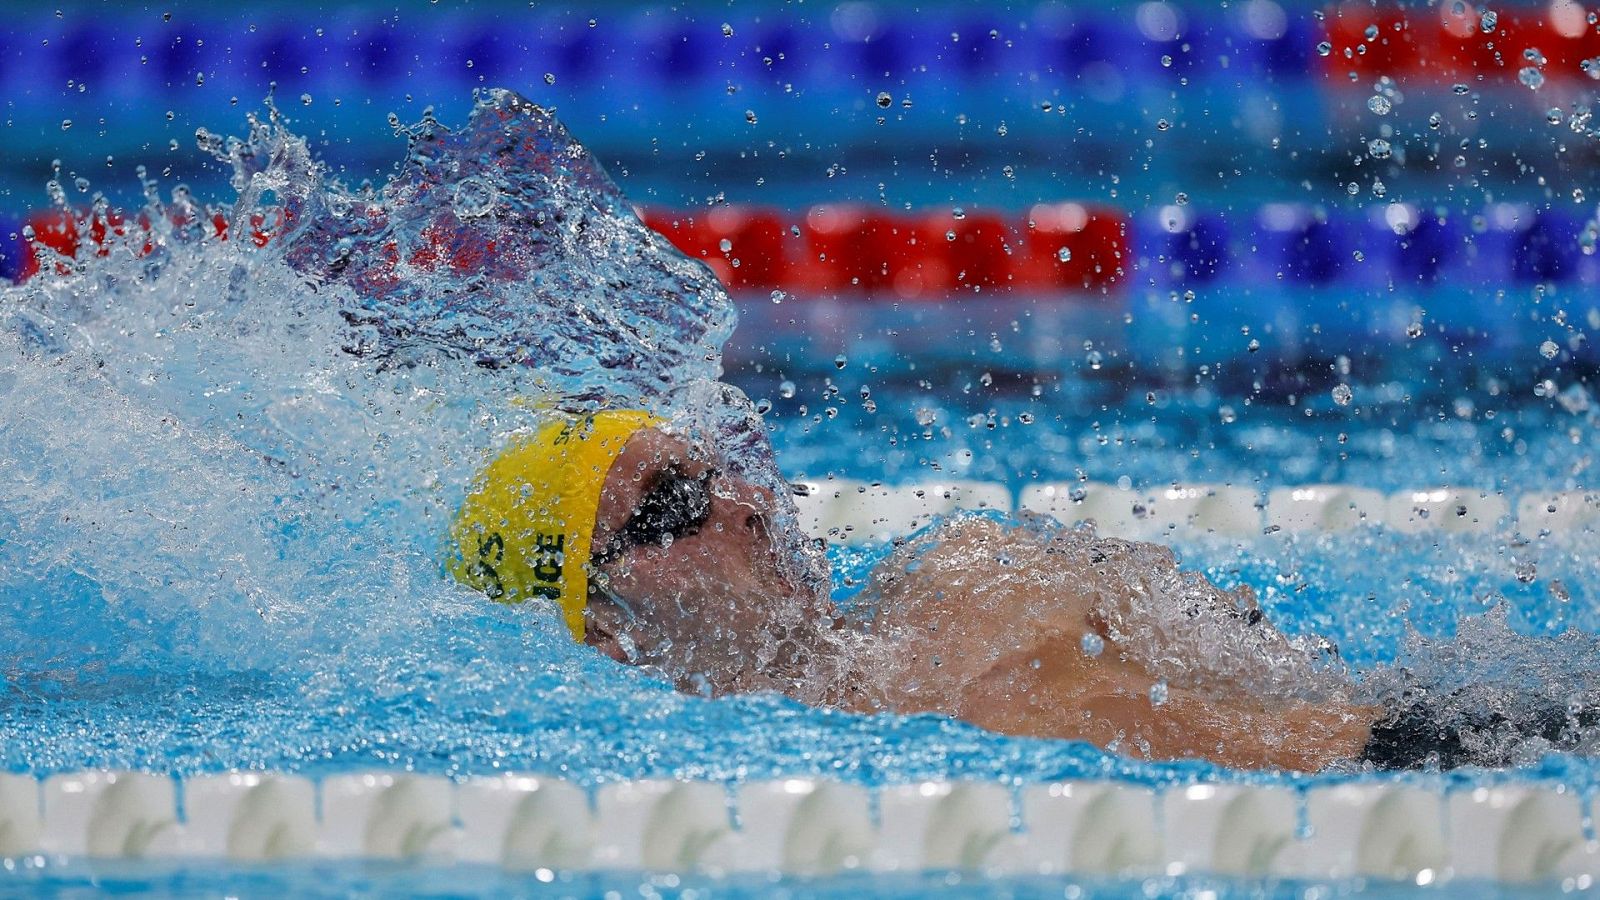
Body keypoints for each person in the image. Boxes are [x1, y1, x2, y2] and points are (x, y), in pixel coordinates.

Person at [448, 410, 1585, 773]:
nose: (746, 505)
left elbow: (1322, 707)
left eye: (710, 472)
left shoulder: (946, 608)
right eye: (668, 513)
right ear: (600, 627)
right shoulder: (957, 655)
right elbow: (1338, 731)